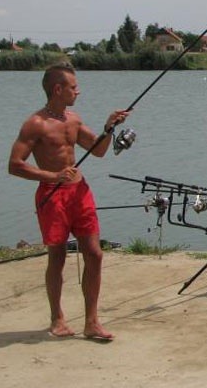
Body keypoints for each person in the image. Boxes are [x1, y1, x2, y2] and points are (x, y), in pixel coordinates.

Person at [8, 62, 129, 340]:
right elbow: (14, 165)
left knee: (95, 254)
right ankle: (57, 319)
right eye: (73, 87)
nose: (79, 91)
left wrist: (109, 127)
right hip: (52, 196)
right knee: (58, 256)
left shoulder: (72, 119)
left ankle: (92, 322)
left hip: (80, 193)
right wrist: (54, 175)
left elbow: (98, 151)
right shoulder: (35, 124)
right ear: (58, 89)